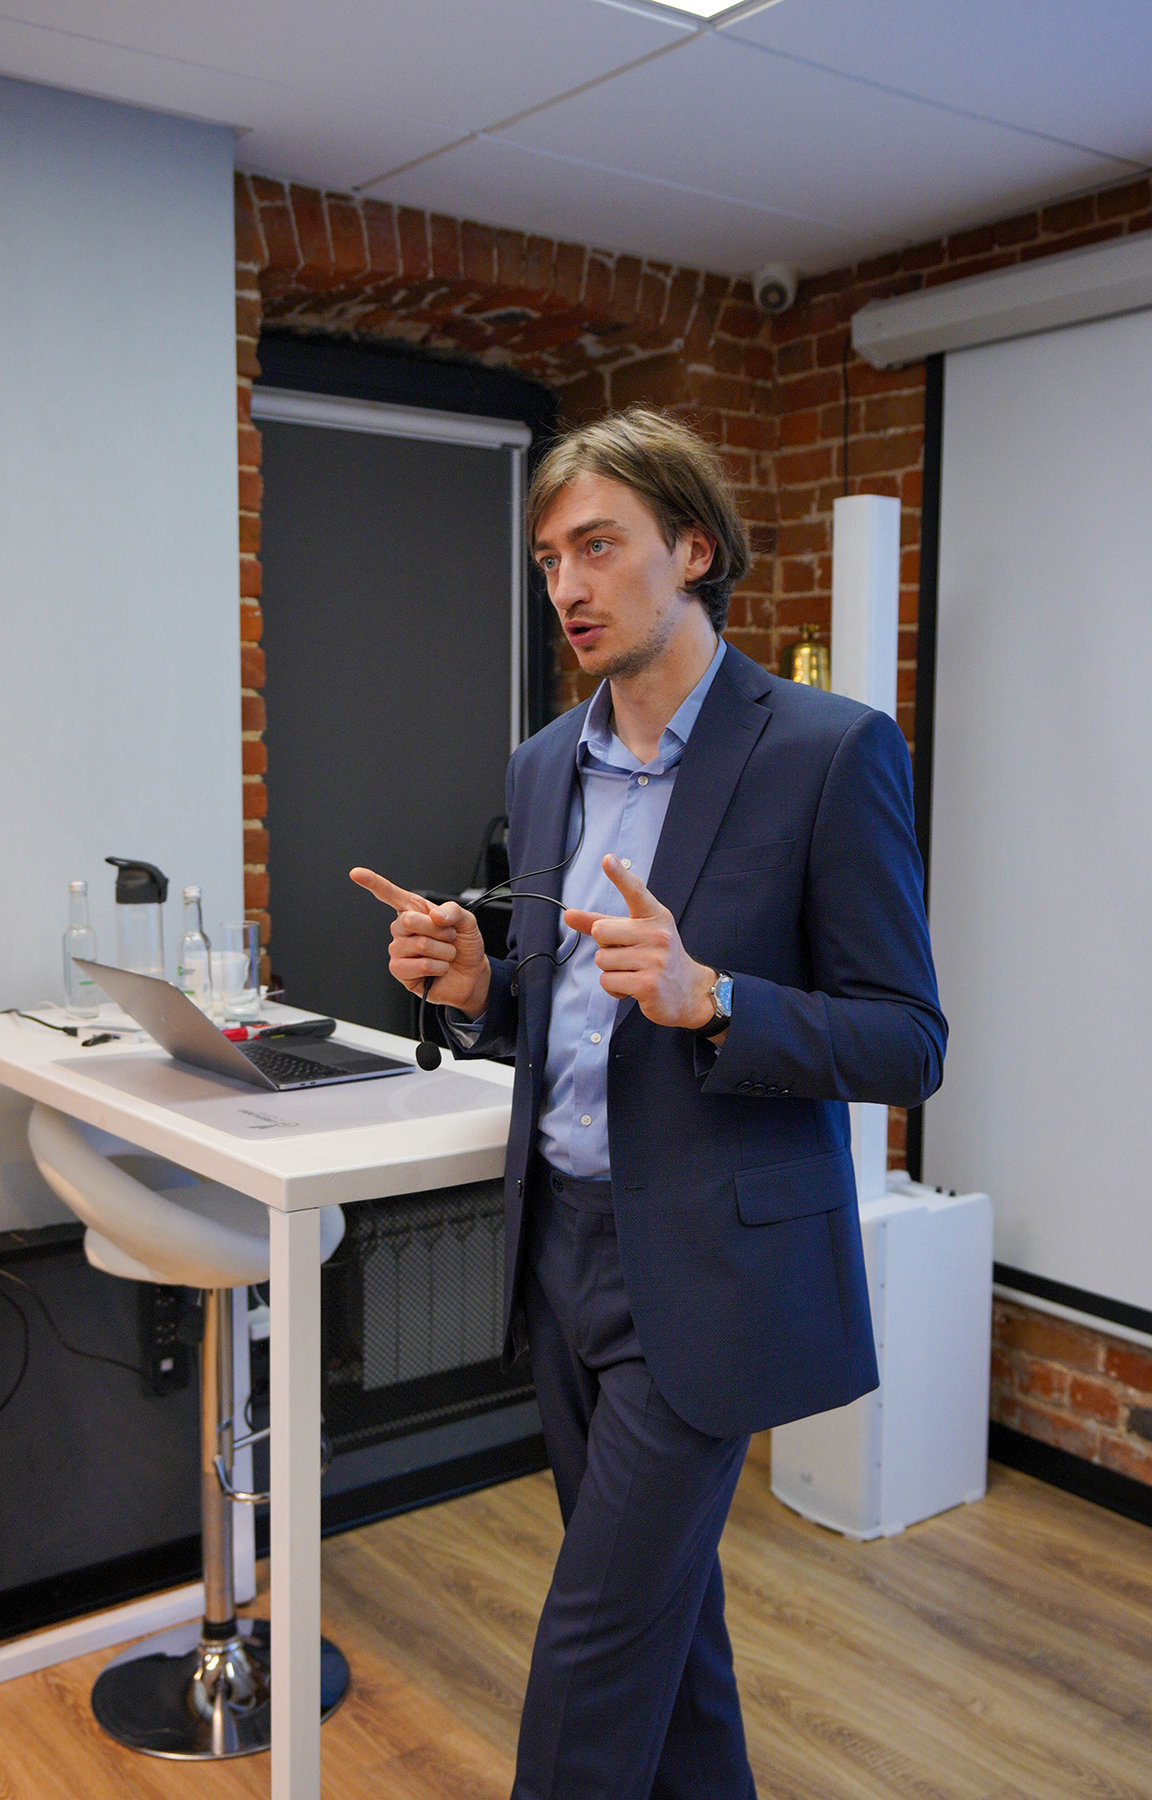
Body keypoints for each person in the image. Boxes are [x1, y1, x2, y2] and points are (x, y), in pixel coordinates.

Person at [351, 405, 946, 1800]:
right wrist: (477, 984)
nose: (567, 584)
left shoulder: (828, 752)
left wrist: (716, 997)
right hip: (560, 1247)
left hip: (709, 1267)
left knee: (595, 1654)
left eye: (599, 546)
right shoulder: (543, 764)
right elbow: (566, 1012)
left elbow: (907, 1042)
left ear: (693, 550)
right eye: (549, 557)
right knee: (669, 1640)